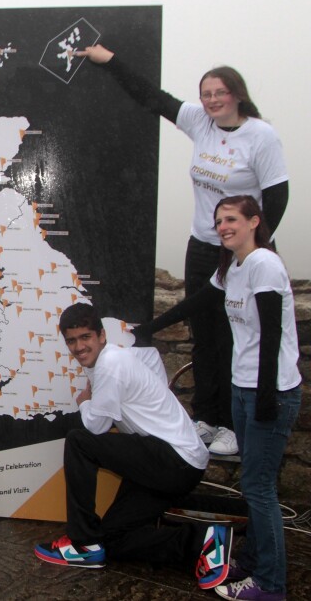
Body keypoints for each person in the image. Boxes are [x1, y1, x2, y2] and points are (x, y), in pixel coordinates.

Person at [77, 45, 290, 457]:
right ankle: (208, 417)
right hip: (204, 245)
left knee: (235, 335)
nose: (212, 100)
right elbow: (153, 97)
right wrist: (112, 61)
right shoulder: (200, 122)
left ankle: (231, 423)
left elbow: (277, 198)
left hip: (243, 249)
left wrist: (251, 248)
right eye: (206, 93)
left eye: (220, 93)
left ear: (237, 95)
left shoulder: (260, 136)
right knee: (204, 336)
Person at [133, 196, 301, 601]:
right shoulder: (232, 266)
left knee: (260, 488)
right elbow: (199, 302)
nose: (224, 226)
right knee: (253, 485)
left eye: (232, 219)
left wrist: (264, 399)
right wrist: (150, 328)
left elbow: (272, 337)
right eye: (219, 220)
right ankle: (253, 563)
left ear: (254, 222)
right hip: (244, 389)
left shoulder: (264, 264)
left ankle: (271, 585)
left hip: (270, 390)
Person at [34, 303, 231, 591]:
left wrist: (85, 402)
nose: (79, 346)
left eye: (85, 337)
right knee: (111, 540)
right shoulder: (115, 359)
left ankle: (82, 543)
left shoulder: (111, 365)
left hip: (175, 460)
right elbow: (150, 358)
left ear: (101, 336)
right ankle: (202, 540)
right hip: (160, 465)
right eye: (72, 340)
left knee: (79, 441)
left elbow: (96, 428)